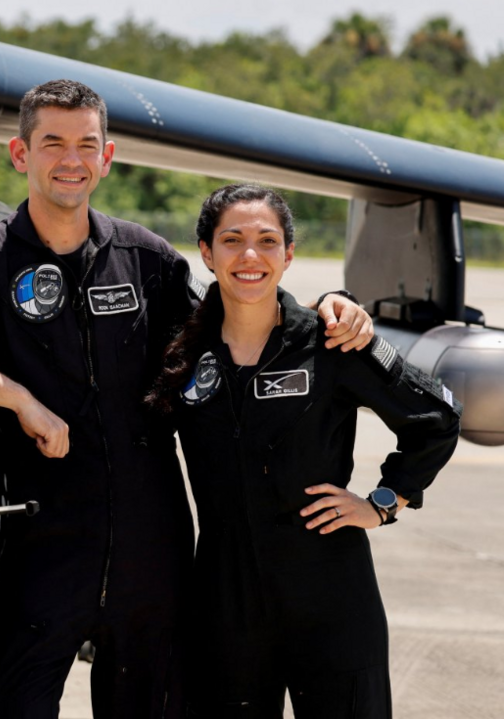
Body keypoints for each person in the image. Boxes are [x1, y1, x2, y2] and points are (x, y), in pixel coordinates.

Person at [0, 79, 375, 718]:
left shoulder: (147, 260)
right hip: (43, 543)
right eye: (53, 142)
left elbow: (233, 323)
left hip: (152, 554)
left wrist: (326, 307)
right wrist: (17, 397)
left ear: (107, 158)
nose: (71, 160)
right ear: (20, 155)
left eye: (87, 144)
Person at [144, 184, 461, 718]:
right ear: (206, 252)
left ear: (288, 255)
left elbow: (436, 417)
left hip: (331, 594)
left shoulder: (331, 340)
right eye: (232, 240)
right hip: (226, 598)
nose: (250, 256)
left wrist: (384, 502)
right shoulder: (183, 353)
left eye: (268, 241)